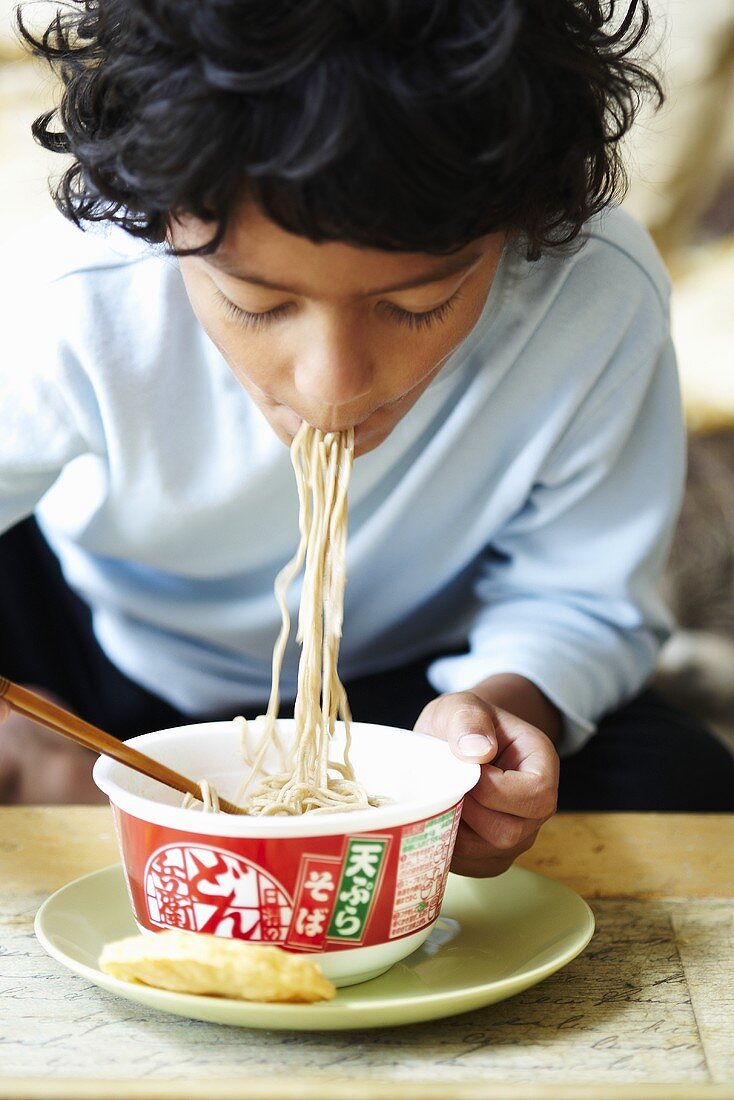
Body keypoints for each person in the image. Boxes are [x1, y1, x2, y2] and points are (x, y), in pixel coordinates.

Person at [1, 0, 732, 874]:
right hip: (98, 638)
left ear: (518, 225)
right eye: (257, 303)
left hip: (410, 687)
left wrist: (503, 714)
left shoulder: (593, 293)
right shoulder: (80, 293)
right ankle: (64, 756)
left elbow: (582, 597)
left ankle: (114, 790)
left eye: (415, 304)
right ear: (163, 222)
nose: (333, 384)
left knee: (682, 782)